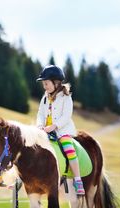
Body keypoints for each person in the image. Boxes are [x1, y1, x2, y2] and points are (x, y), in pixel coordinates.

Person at [36, 65, 85, 196]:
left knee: (69, 150)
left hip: (62, 131)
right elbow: (40, 113)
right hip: (45, 130)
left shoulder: (66, 97)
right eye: (43, 84)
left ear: (56, 83)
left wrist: (54, 126)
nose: (44, 86)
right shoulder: (45, 97)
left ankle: (78, 179)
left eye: (46, 83)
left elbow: (66, 116)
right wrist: (40, 125)